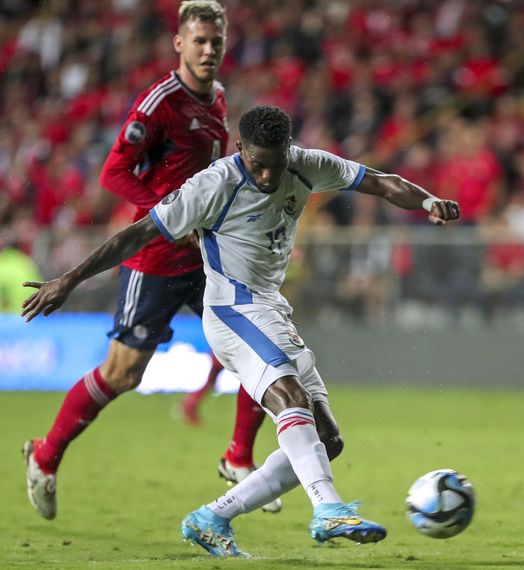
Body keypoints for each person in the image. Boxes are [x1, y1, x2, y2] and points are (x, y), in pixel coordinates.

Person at [21, 105, 461, 554]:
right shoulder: (213, 184)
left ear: (288, 149)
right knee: (290, 397)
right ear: (239, 150)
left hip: (272, 308)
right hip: (232, 309)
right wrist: (68, 280)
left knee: (327, 441)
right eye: (257, 164)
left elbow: (382, 183)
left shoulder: (307, 164)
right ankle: (329, 509)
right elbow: (135, 234)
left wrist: (428, 201)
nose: (268, 176)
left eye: (276, 164)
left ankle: (212, 518)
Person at [22, 0, 280, 521]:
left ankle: (238, 457)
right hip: (157, 256)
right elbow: (114, 173)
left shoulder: (219, 99)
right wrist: (169, 213)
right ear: (179, 45)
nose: (209, 50)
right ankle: (45, 456)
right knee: (123, 374)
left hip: (205, 251)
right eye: (199, 41)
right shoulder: (159, 103)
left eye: (216, 41)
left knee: (260, 339)